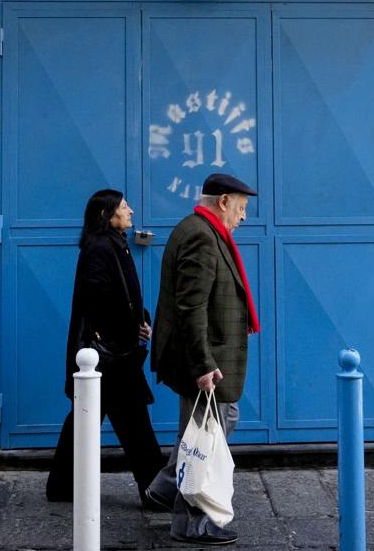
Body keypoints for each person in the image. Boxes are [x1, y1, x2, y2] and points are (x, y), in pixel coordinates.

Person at [144, 172, 259, 546]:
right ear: (223, 201)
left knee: (205, 428)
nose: (243, 218)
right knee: (207, 438)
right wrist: (204, 365)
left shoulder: (200, 229)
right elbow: (191, 307)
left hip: (204, 355)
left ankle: (165, 487)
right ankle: (192, 522)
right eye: (240, 209)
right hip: (205, 357)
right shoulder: (201, 236)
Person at [45, 189, 164, 507]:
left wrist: (140, 319)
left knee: (87, 418)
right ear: (106, 215)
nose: (131, 211)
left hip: (111, 351)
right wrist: (127, 328)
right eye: (124, 207)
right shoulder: (101, 248)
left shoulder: (114, 244)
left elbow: (124, 296)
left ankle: (61, 486)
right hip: (109, 354)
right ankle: (155, 489)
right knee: (133, 421)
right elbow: (98, 300)